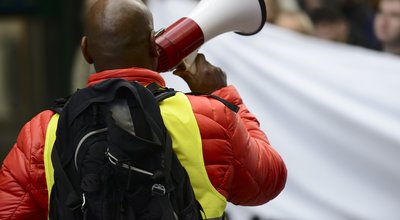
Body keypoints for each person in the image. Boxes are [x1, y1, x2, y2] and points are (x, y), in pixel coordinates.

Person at [0, 0, 287, 219]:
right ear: (153, 44)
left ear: (87, 50)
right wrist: (222, 95)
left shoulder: (41, 132)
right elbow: (269, 179)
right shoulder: (208, 117)